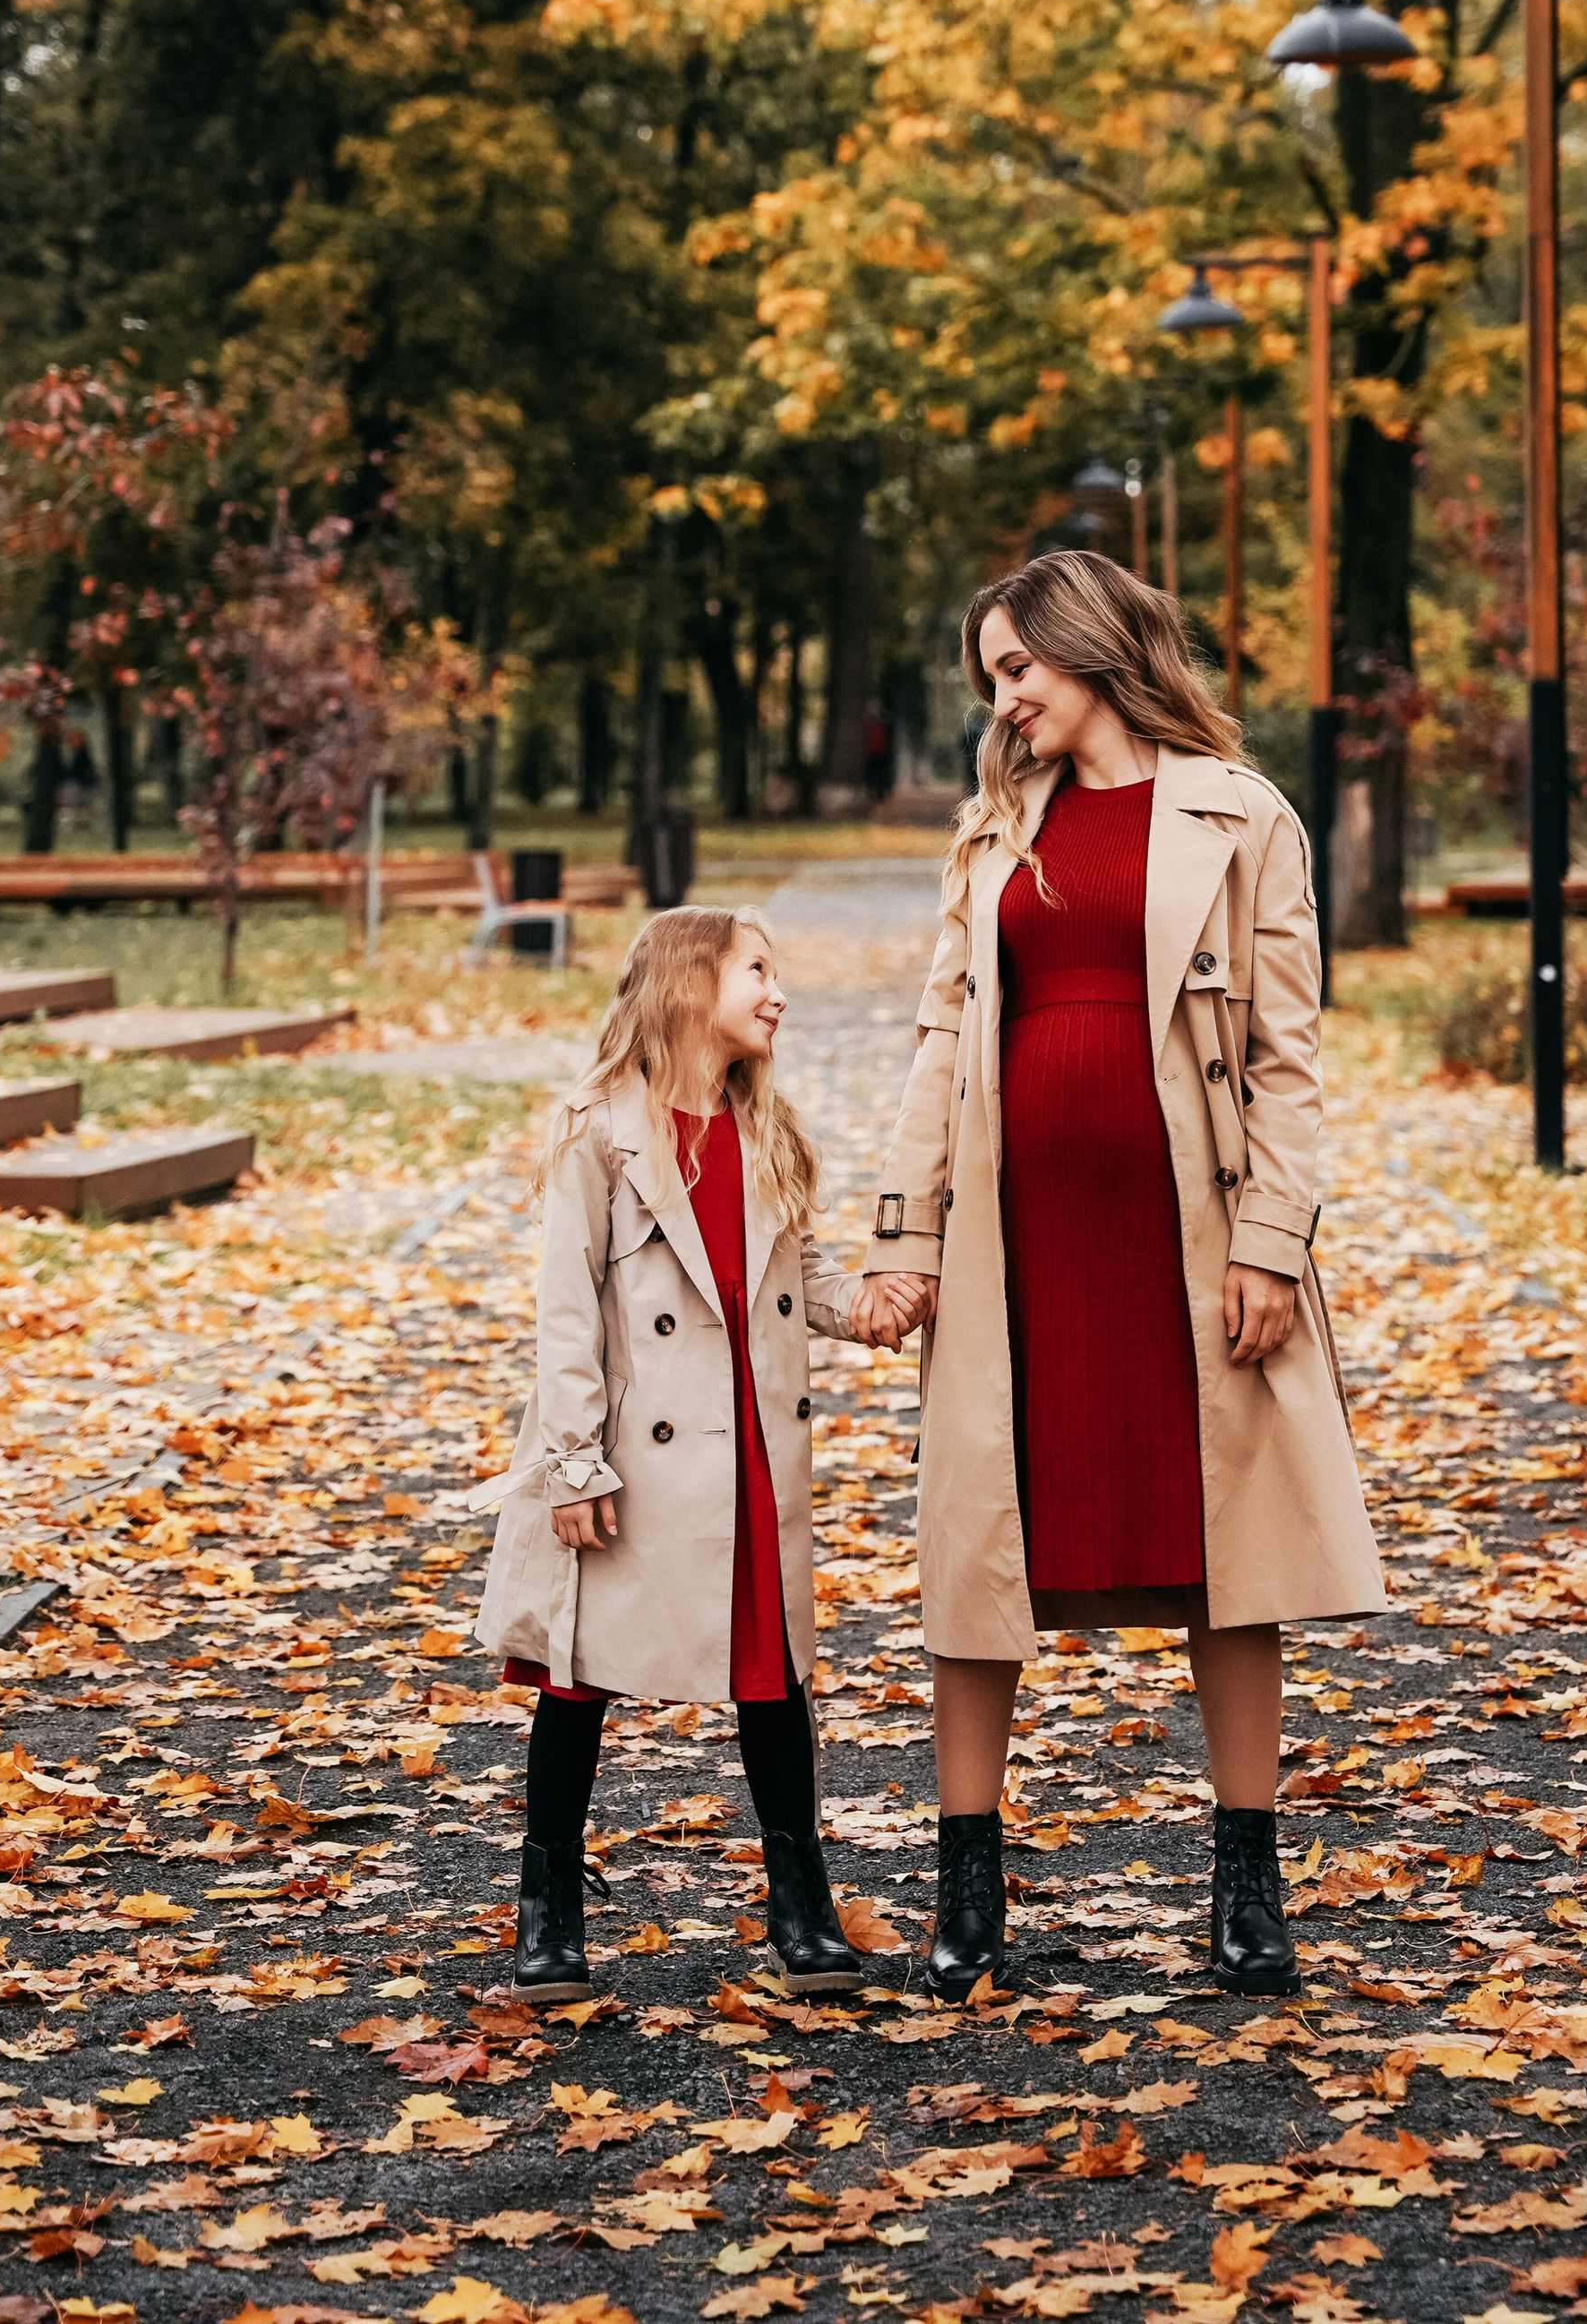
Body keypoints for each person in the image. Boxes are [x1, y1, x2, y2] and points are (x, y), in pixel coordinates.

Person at [870, 549, 1384, 2002]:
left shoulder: (1241, 816)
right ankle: (969, 1895)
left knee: (1231, 1560)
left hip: (1192, 1233)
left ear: (1093, 650)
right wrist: (905, 1241)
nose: (1004, 697)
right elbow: (934, 1045)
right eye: (991, 677)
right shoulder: (990, 834)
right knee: (979, 1558)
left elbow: (1289, 1060)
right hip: (1014, 1243)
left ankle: (1246, 1891)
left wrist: (1276, 1247)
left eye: (1019, 668)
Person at [476, 906, 924, 1999]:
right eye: (757, 971)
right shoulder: (599, 1129)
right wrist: (574, 1463)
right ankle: (549, 1913)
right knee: (577, 1680)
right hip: (633, 1452)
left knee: (773, 1681)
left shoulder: (760, 1129)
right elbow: (565, 1310)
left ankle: (801, 1907)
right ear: (688, 986)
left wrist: (867, 1304)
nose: (778, 994)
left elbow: (789, 1276)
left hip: (751, 1453)